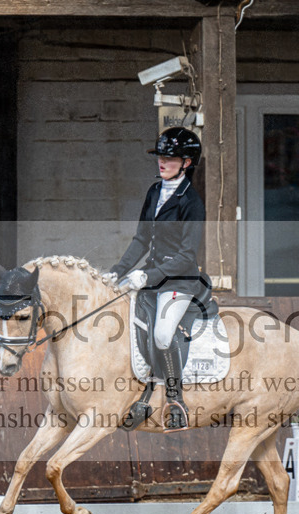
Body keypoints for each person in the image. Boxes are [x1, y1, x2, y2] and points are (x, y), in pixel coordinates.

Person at [103, 127, 207, 432]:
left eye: (170, 157)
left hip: (180, 281)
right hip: (150, 276)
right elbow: (140, 239)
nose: (162, 161)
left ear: (186, 162)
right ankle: (143, 396)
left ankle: (176, 401)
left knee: (162, 334)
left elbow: (187, 256)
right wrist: (118, 270)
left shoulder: (192, 202)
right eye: (160, 156)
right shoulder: (154, 192)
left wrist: (148, 275)